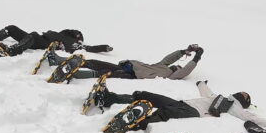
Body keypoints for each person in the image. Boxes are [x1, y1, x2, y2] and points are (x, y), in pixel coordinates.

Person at [91, 80, 266, 128]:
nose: (242, 93)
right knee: (147, 96)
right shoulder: (221, 98)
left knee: (165, 112)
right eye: (243, 92)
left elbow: (254, 118)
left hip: (193, 111)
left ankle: (134, 125)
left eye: (245, 95)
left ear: (244, 101)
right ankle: (109, 98)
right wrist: (201, 83)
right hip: (184, 103)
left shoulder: (237, 109)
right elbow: (206, 93)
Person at [46, 45, 203, 80]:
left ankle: (76, 74)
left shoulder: (170, 76)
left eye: (178, 67)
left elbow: (186, 71)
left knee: (104, 73)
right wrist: (184, 51)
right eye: (177, 65)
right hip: (130, 66)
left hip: (133, 74)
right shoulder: (163, 66)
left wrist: (197, 58)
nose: (176, 66)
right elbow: (169, 59)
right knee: (95, 62)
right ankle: (59, 60)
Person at [0, 22, 113, 57]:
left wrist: (105, 47)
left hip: (44, 44)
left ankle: (12, 51)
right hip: (37, 38)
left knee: (33, 35)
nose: (75, 33)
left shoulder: (76, 45)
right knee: (12, 28)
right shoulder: (61, 33)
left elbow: (92, 48)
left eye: (77, 33)